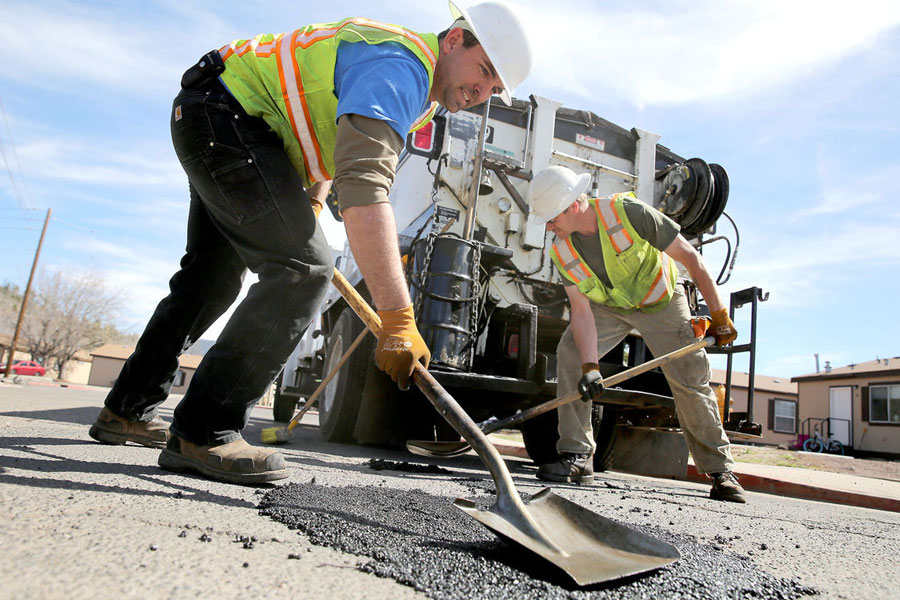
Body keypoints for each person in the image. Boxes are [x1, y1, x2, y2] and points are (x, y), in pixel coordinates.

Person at [88, 1, 533, 485]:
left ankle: (126, 408)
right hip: (227, 118)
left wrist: (314, 201)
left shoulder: (416, 83)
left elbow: (323, 143)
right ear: (454, 40)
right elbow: (365, 190)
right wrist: (399, 318)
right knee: (303, 269)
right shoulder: (401, 67)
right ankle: (204, 430)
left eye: (493, 89)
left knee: (209, 280)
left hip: (219, 113)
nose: (481, 92)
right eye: (483, 71)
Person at [526, 165, 747, 503]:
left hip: (660, 299)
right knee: (570, 351)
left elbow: (692, 259)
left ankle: (721, 472)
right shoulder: (561, 250)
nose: (548, 226)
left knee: (689, 376)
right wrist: (590, 368)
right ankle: (577, 457)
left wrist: (719, 316)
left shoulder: (628, 213)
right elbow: (581, 313)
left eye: (551, 217)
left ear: (572, 205)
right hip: (611, 307)